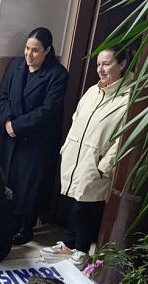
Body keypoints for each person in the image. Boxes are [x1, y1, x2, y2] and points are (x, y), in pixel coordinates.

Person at [41, 46, 132, 266]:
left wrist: (105, 165)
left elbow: (122, 138)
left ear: (122, 64)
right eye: (98, 64)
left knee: (85, 207)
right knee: (74, 202)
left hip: (96, 161)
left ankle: (81, 250)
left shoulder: (127, 98)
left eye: (106, 64)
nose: (101, 69)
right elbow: (76, 121)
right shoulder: (93, 91)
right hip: (76, 156)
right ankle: (68, 244)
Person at [0, 26, 69, 246]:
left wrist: (18, 126)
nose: (29, 54)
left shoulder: (57, 74)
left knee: (29, 185)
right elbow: (3, 96)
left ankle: (25, 227)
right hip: (11, 136)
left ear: (47, 50)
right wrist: (7, 121)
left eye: (35, 50)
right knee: (8, 179)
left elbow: (47, 110)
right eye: (27, 48)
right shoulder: (15, 66)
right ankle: (8, 222)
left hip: (36, 140)